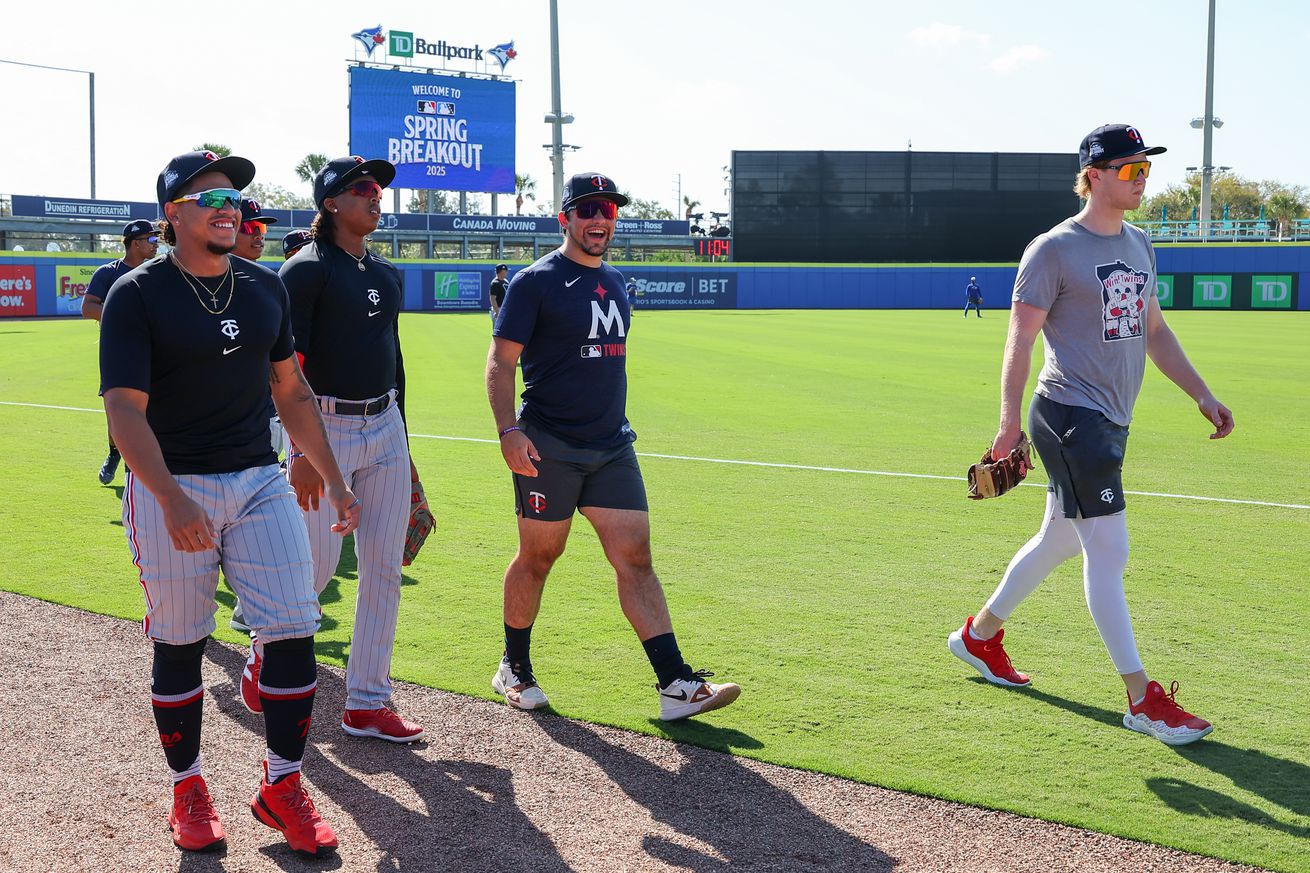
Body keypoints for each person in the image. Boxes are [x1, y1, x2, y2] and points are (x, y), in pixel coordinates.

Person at [99, 149, 359, 855]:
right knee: (181, 641)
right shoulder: (137, 294)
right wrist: (170, 496)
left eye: (234, 198)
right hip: (171, 484)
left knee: (293, 629)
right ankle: (188, 787)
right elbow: (124, 411)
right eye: (208, 196)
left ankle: (282, 785)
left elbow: (291, 392)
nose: (228, 208)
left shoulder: (263, 288)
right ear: (172, 214)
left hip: (257, 480)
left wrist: (333, 477)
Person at [947, 124, 1234, 746]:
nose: (1141, 180)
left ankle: (979, 635)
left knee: (1059, 541)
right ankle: (1141, 699)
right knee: (1109, 551)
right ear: (1095, 175)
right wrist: (1004, 426)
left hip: (1110, 419)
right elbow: (1019, 341)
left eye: (1145, 170)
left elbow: (1154, 332)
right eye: (1131, 170)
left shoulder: (1138, 244)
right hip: (1070, 416)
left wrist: (1202, 394)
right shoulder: (1052, 250)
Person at [486, 172, 741, 721]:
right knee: (539, 557)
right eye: (588, 209)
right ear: (566, 219)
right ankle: (514, 666)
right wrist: (509, 431)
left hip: (611, 446)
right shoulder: (535, 282)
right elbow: (501, 362)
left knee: (636, 557)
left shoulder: (617, 281)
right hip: (548, 445)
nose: (599, 219)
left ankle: (675, 684)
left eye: (608, 210)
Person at [258, 155, 425, 744]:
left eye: (378, 189)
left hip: (384, 428)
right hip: (322, 429)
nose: (375, 196)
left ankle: (367, 701)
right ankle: (264, 654)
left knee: (382, 568)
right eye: (362, 188)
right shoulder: (304, 271)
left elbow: (392, 359)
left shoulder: (384, 272)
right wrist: (301, 452)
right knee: (315, 569)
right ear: (330, 202)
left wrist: (404, 443)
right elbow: (284, 372)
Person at [83, 219, 159, 485]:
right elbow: (88, 308)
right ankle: (115, 452)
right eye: (150, 239)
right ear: (135, 243)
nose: (156, 243)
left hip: (159, 351)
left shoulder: (160, 272)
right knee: (118, 409)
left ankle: (142, 461)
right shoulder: (108, 273)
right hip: (119, 351)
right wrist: (124, 318)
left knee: (157, 407)